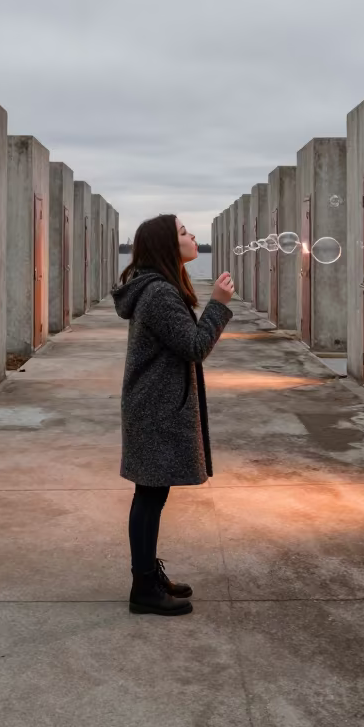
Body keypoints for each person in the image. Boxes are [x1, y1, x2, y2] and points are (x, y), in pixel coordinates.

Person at [111, 214, 235, 615]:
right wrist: (218, 305)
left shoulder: (157, 288)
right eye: (183, 232)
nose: (192, 235)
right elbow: (195, 345)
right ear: (167, 245)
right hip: (156, 408)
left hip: (155, 404)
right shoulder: (160, 294)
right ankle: (143, 587)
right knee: (149, 496)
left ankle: (147, 574)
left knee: (152, 494)